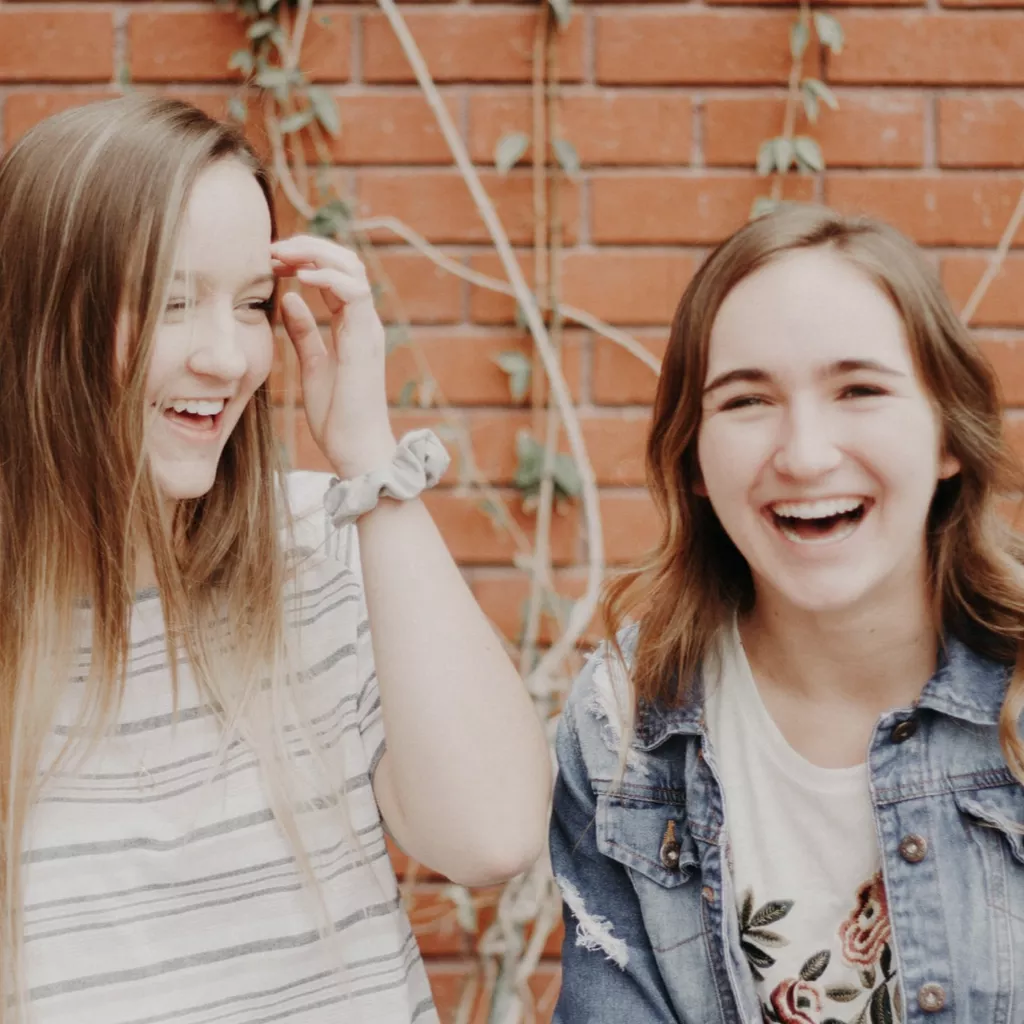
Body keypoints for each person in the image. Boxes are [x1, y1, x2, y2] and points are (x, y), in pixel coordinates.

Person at [0, 95, 551, 1024]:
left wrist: (372, 462)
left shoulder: (322, 541)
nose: (227, 357)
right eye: (172, 301)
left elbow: (492, 836)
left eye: (252, 303)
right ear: (42, 319)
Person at [550, 204, 1024, 1023]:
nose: (805, 454)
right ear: (693, 458)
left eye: (860, 389)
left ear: (950, 434)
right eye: (746, 401)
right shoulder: (623, 728)